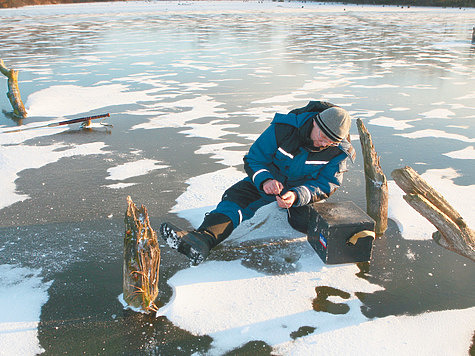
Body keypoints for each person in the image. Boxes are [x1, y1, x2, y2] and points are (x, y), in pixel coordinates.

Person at [160, 101, 355, 265]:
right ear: (315, 123)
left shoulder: (338, 151)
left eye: (331, 142)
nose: (324, 144)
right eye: (322, 137)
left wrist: (297, 195)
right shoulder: (285, 128)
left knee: (302, 223)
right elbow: (254, 158)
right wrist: (265, 180)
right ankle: (202, 239)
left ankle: (294, 208)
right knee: (235, 197)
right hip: (270, 179)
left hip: (300, 189)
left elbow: (327, 183)